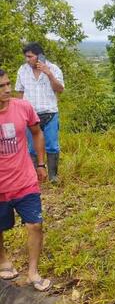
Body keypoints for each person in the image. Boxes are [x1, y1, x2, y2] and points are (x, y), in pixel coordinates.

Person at [0, 68, 52, 291]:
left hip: (25, 180)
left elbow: (37, 132)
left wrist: (40, 163)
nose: (7, 89)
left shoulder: (23, 107)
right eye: (1, 86)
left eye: (8, 83)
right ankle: (3, 260)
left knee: (35, 225)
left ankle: (33, 272)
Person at [15, 42, 65, 183]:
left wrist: (48, 74)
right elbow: (20, 92)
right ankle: (34, 175)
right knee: (32, 147)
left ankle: (53, 176)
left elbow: (60, 89)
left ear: (39, 56)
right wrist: (19, 112)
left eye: (30, 56)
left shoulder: (53, 69)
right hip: (30, 115)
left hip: (50, 113)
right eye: (26, 57)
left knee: (52, 145)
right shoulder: (23, 70)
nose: (27, 59)